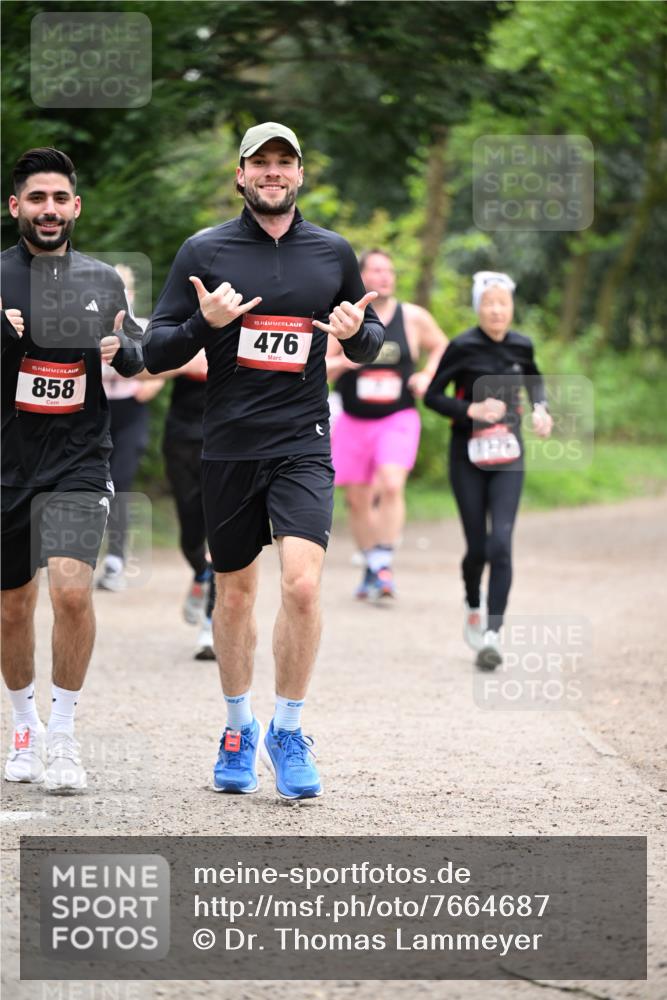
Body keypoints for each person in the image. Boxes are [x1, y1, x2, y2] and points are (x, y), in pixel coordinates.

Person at [143, 122, 384, 799]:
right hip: (229, 445)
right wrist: (205, 324)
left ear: (300, 174)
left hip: (303, 441)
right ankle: (236, 728)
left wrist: (356, 335)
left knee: (302, 586)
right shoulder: (204, 250)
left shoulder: (331, 252)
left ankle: (289, 729)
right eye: (260, 163)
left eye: (284, 162)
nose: (272, 172)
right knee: (236, 593)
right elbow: (154, 351)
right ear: (241, 175)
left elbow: (369, 338)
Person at [1, 147, 144, 790]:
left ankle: (63, 732)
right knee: (13, 607)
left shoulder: (102, 279)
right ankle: (24, 726)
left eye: (60, 198)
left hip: (80, 460)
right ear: (16, 206)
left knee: (71, 591)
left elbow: (136, 349)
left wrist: (126, 348)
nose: (49, 209)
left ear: (76, 206)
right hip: (7, 464)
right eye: (37, 198)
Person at [424, 271, 552, 668]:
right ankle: (472, 601)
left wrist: (541, 409)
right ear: (478, 307)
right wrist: (471, 409)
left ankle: (493, 633)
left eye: (503, 303)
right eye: (489, 303)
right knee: (478, 547)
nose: (497, 310)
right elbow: (432, 396)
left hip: (509, 454)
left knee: (501, 544)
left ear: (512, 308)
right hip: (467, 455)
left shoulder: (521, 345)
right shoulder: (462, 346)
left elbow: (534, 381)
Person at [327, 249, 447, 599]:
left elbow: (442, 346)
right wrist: (342, 364)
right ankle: (372, 565)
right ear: (361, 276)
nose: (385, 276)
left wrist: (427, 375)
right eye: (377, 270)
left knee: (392, 485)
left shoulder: (413, 317)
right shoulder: (346, 318)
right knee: (357, 499)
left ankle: (382, 562)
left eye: (389, 271)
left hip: (398, 417)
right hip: (353, 419)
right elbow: (319, 364)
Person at [97, 264, 163, 593]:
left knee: (120, 482)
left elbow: (165, 362)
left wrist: (155, 382)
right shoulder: (82, 325)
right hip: (95, 412)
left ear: (132, 294)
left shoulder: (145, 327)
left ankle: (115, 560)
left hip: (130, 411)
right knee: (90, 484)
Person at [161, 348, 216, 660]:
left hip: (227, 439)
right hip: (181, 437)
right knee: (191, 536)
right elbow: (140, 370)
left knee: (221, 534)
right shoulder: (182, 324)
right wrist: (182, 362)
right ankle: (201, 573)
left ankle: (210, 626)